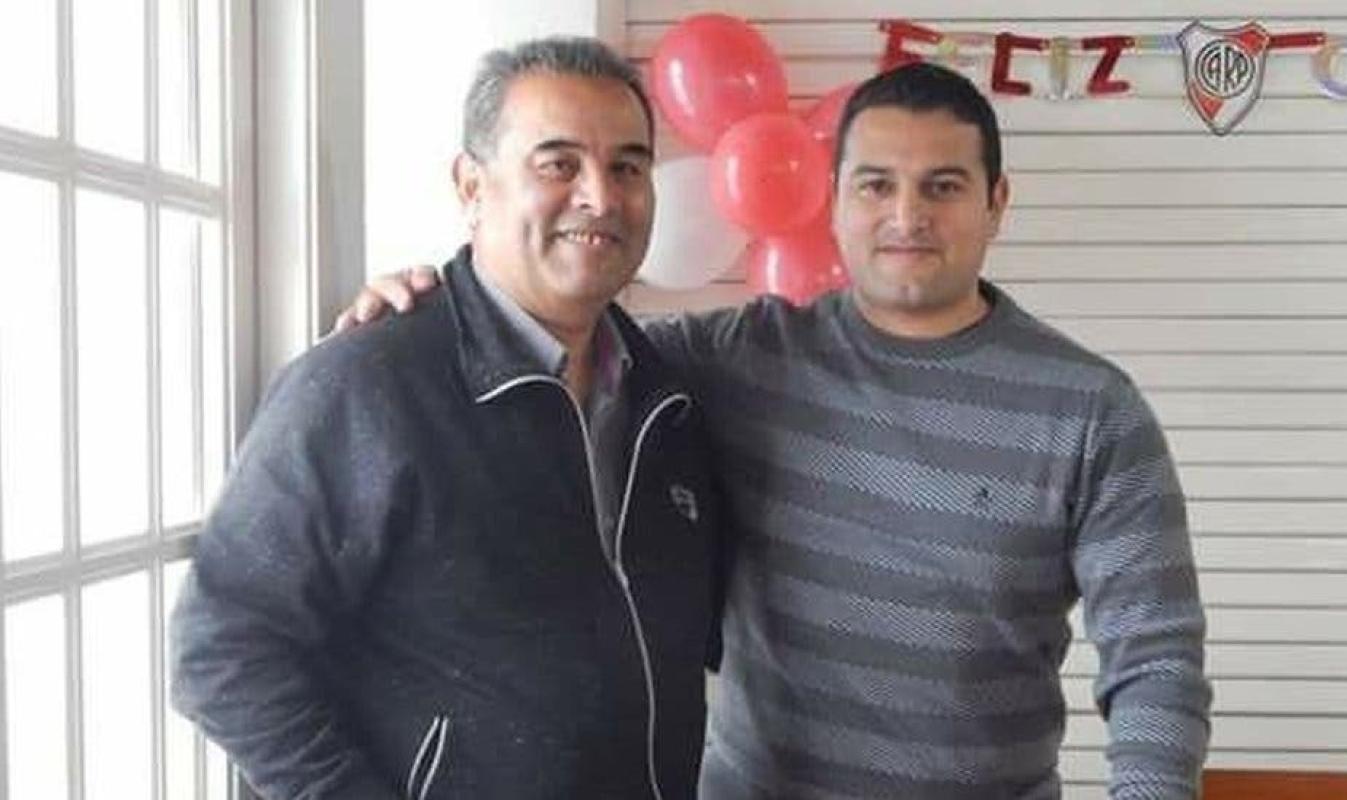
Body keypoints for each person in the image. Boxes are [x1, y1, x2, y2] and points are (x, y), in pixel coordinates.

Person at [340, 61, 1212, 799]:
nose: (907, 216)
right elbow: (555, 332)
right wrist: (435, 307)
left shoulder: (1091, 410)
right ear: (834, 200)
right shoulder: (740, 358)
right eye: (876, 184)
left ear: (997, 201)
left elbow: (1157, 664)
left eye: (943, 186)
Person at [170, 37, 722, 800]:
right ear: (471, 186)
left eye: (628, 167)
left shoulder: (669, 400)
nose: (600, 196)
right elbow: (220, 650)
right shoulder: (365, 386)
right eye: (558, 164)